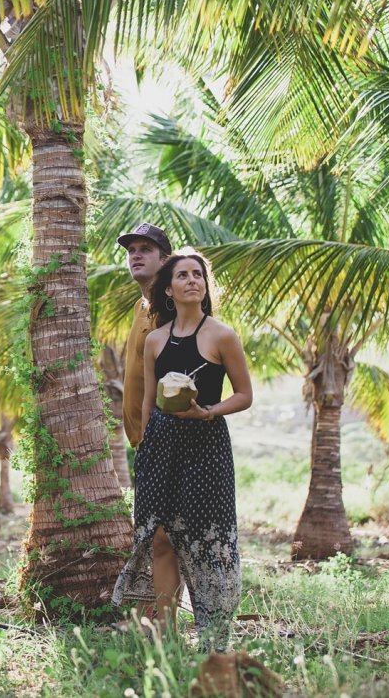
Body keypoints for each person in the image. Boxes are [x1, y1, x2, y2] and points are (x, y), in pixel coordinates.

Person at [112, 249, 253, 652]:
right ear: (169, 290)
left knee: (206, 541)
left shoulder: (222, 335)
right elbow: (147, 402)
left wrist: (208, 412)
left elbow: (244, 395)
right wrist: (142, 446)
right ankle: (167, 639)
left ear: (204, 287)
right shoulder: (155, 339)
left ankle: (214, 640)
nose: (192, 280)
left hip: (206, 446)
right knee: (159, 538)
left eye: (198, 275)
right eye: (183, 276)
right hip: (160, 445)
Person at [116, 222, 174, 448]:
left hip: (163, 439)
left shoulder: (171, 309)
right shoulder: (139, 306)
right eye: (131, 251)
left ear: (164, 261)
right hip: (142, 441)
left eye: (146, 249)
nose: (136, 255)